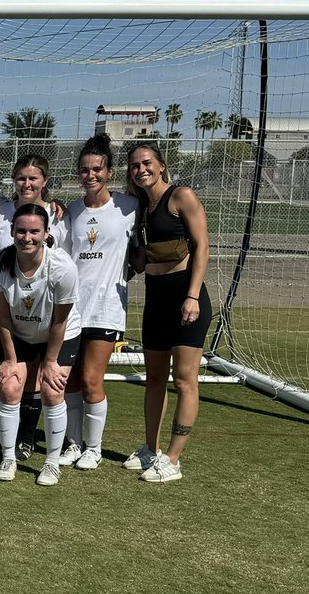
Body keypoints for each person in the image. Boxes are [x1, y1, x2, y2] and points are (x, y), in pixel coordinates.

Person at [125, 141, 211, 483]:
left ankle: (173, 460)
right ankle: (151, 449)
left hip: (184, 297)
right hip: (156, 299)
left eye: (147, 163)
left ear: (161, 165)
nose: (141, 169)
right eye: (134, 165)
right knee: (155, 378)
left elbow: (202, 245)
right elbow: (142, 263)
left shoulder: (181, 196)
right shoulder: (142, 209)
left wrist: (192, 296)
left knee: (184, 380)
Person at [57, 134, 138, 471]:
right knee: (70, 382)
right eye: (85, 170)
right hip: (74, 309)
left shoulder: (129, 207)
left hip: (106, 309)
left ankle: (95, 447)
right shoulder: (71, 211)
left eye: (97, 169)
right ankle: (74, 444)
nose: (91, 175)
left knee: (91, 379)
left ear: (109, 171)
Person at [0, 203, 82, 486]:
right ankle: (8, 457)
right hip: (20, 332)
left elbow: (59, 321)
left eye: (34, 232)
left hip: (60, 333)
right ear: (12, 231)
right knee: (10, 385)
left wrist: (50, 362)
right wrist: (10, 358)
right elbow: (2, 317)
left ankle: (52, 463)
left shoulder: (62, 268)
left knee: (53, 390)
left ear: (46, 233)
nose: (26, 237)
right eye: (20, 231)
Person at [0, 154, 67, 461]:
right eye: (21, 177)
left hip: (40, 310)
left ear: (44, 182)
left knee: (34, 374)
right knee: (5, 372)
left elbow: (64, 258)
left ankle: (25, 438)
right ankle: (2, 437)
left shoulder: (59, 215)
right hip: (2, 304)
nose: (27, 183)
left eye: (34, 178)